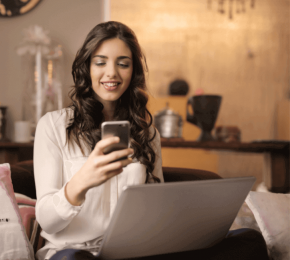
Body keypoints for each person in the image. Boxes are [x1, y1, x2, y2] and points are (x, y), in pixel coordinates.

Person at [33, 21, 269, 260]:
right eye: (100, 62)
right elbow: (48, 222)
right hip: (74, 252)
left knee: (250, 240)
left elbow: (154, 209)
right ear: (87, 67)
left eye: (123, 64)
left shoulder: (147, 133)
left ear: (133, 71)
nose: (112, 73)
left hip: (134, 252)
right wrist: (80, 183)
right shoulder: (53, 126)